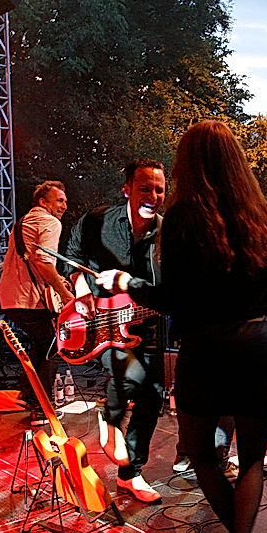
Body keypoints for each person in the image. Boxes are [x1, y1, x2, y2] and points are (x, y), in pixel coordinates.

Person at [96, 120, 267, 533]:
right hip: (257, 344)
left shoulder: (182, 218)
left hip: (207, 349)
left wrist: (126, 283)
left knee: (201, 454)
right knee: (253, 458)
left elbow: (173, 297)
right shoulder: (259, 213)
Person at [64, 158, 169, 503]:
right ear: (127, 189)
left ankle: (130, 474)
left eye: (159, 189)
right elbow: (72, 258)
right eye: (145, 188)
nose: (153, 195)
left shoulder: (167, 234)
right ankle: (111, 421)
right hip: (100, 319)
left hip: (147, 321)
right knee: (128, 374)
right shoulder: (97, 221)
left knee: (153, 396)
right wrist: (82, 293)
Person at [0, 181, 73, 410]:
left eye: (65, 201)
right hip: (29, 298)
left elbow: (30, 259)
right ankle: (42, 405)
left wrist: (57, 279)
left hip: (10, 297)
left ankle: (28, 394)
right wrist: (66, 294)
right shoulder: (49, 222)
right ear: (43, 201)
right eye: (59, 200)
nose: (64, 206)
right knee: (57, 346)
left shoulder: (22, 223)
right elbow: (44, 263)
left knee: (42, 345)